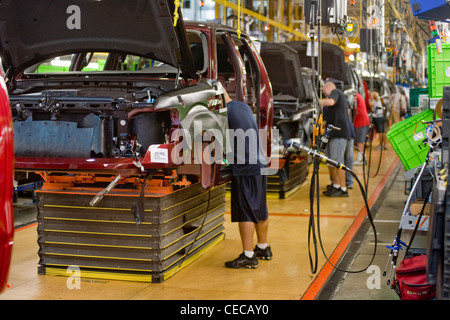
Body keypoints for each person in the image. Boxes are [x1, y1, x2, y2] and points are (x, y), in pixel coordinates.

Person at [222, 88, 272, 269]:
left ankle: (248, 256)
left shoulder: (224, 113)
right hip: (260, 163)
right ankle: (263, 248)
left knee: (246, 211)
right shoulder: (241, 106)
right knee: (260, 209)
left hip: (246, 167)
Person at [319, 80, 352, 197]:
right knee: (331, 162)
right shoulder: (333, 105)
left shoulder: (336, 92)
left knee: (338, 162)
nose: (323, 91)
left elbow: (331, 101)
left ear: (328, 86)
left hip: (339, 134)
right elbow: (328, 120)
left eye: (323, 89)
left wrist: (318, 102)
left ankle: (343, 189)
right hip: (331, 135)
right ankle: (336, 186)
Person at [353, 92, 370, 165]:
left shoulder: (355, 97)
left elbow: (355, 110)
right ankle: (363, 158)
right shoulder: (358, 96)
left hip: (360, 121)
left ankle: (360, 159)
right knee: (362, 141)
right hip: (364, 120)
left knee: (360, 141)